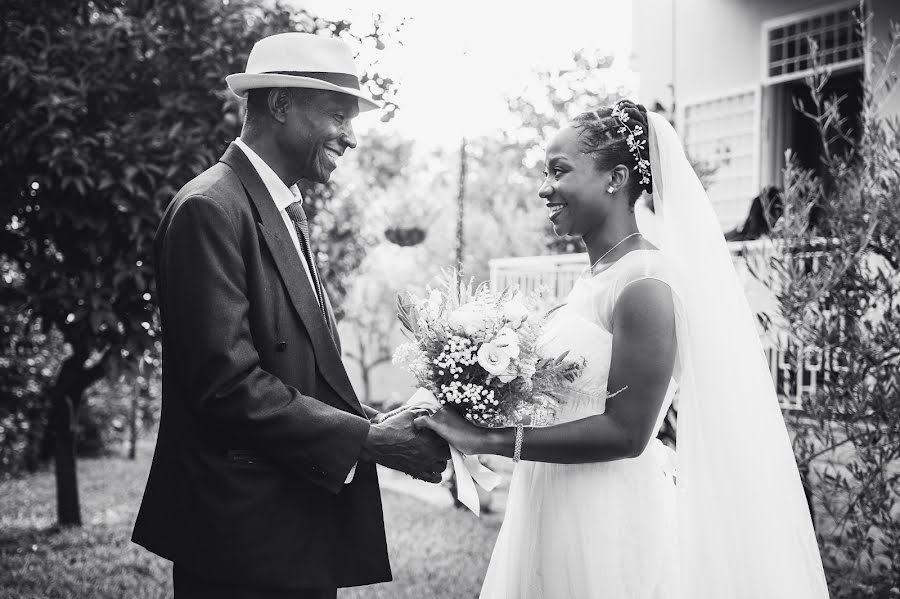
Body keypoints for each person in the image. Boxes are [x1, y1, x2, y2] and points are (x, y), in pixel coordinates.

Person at [416, 100, 830, 598]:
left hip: (606, 514)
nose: (545, 188)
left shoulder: (646, 282)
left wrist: (492, 439)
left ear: (615, 177)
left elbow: (627, 431)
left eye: (559, 171)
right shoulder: (595, 279)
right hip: (551, 499)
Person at [132, 32, 449, 599]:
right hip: (242, 542)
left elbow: (297, 369)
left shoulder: (276, 206)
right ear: (280, 104)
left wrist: (380, 421)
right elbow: (228, 387)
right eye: (338, 115)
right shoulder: (210, 208)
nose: (351, 138)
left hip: (293, 530)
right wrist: (373, 444)